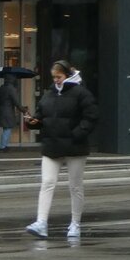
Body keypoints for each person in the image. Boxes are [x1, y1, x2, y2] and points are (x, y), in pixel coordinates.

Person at [24, 60, 99, 240]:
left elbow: (91, 116)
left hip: (74, 146)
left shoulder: (81, 93)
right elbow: (41, 116)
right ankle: (41, 222)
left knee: (75, 186)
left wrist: (76, 134)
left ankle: (75, 223)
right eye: (54, 77)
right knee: (47, 183)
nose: (56, 80)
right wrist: (33, 121)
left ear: (67, 75)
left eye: (59, 77)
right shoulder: (49, 94)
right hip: (53, 144)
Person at [0, 72, 26, 151]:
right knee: (7, 129)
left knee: (5, 128)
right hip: (8, 111)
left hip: (1, 111)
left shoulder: (1, 88)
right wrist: (23, 110)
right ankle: (3, 146)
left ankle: (3, 145)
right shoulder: (11, 89)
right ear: (12, 80)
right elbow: (16, 102)